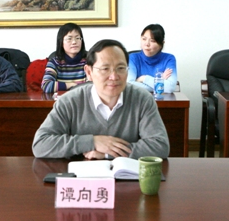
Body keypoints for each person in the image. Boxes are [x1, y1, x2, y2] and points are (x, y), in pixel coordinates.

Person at [32, 39, 170, 160]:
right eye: (105, 69)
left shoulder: (142, 99)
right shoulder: (69, 101)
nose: (114, 76)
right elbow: (40, 145)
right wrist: (92, 142)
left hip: (127, 177)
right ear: (89, 72)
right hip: (81, 176)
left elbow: (160, 146)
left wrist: (108, 153)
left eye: (120, 68)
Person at [127, 23, 178, 94]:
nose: (147, 44)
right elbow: (129, 85)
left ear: (161, 44)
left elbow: (170, 87)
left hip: (161, 99)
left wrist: (142, 78)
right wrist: (160, 82)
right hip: (138, 99)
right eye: (144, 39)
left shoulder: (169, 59)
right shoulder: (132, 58)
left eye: (152, 41)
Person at [42, 22, 88, 93]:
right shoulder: (54, 63)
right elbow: (46, 86)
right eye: (69, 39)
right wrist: (72, 85)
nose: (74, 42)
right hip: (62, 99)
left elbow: (93, 86)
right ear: (61, 42)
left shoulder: (89, 61)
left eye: (77, 38)